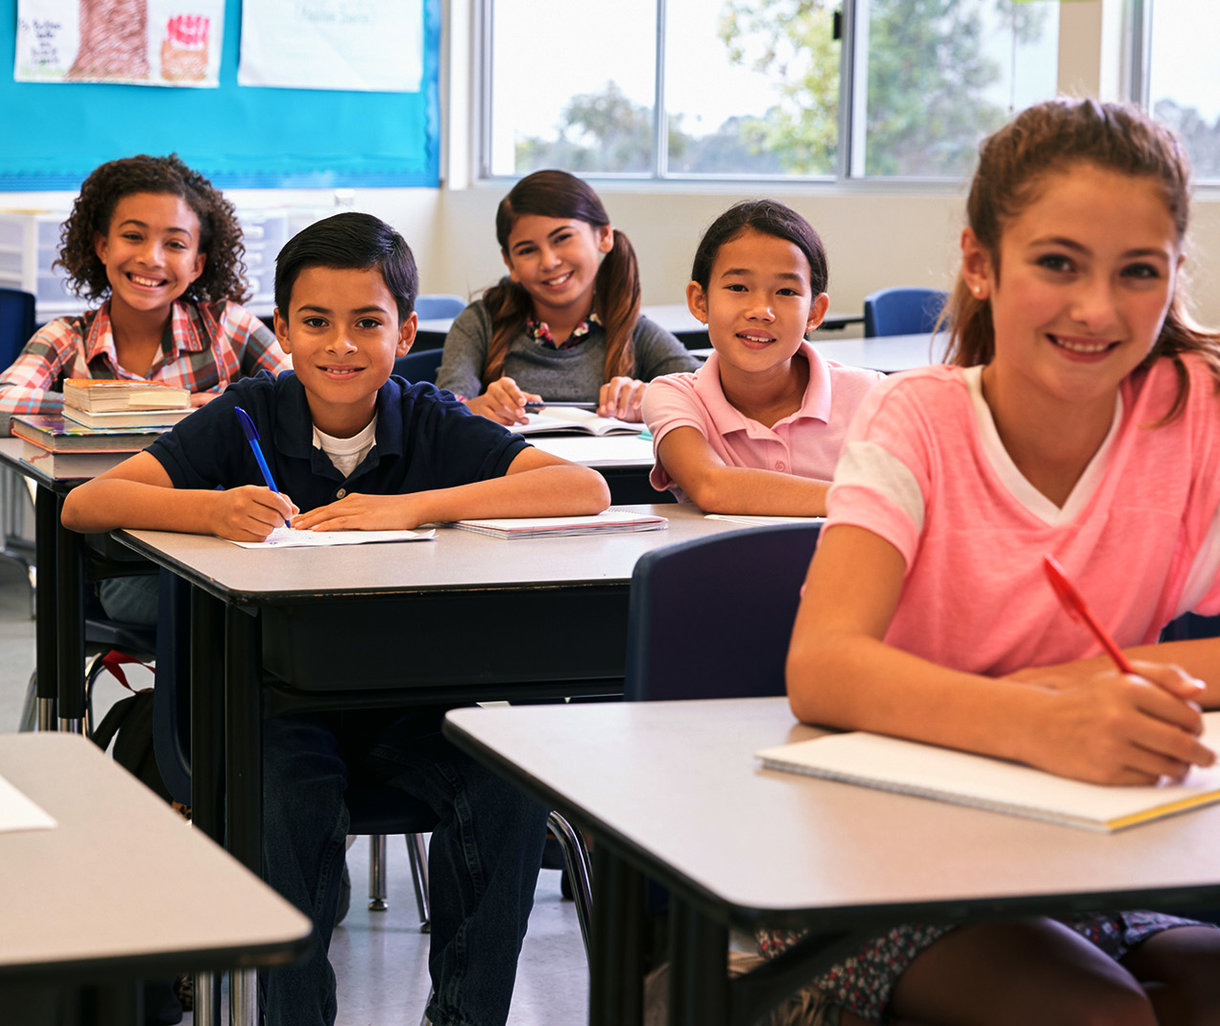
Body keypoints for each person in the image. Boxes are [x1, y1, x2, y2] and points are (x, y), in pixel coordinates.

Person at [63, 212, 608, 1026]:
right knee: (285, 799)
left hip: (413, 709)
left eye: (368, 324)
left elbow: (582, 491)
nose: (341, 346)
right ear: (283, 329)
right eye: (315, 323)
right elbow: (87, 503)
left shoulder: (424, 416)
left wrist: (408, 508)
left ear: (406, 330)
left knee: (508, 785)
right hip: (280, 709)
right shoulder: (250, 412)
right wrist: (210, 511)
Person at [782, 98, 1220, 1025]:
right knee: (1104, 1017)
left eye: (1138, 272)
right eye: (1058, 263)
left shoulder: (1193, 411)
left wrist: (1085, 685)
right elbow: (821, 667)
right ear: (981, 263)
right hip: (885, 870)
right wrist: (1041, 719)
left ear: (1176, 274)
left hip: (1096, 861)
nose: (1098, 309)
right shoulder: (921, 419)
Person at [0, 153, 287, 438]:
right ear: (102, 247)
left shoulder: (230, 328)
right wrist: (157, 407)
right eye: (133, 236)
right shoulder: (67, 339)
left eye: (175, 244)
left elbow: (305, 395)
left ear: (197, 264)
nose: (151, 258)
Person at [644, 200, 882, 516]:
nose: (761, 311)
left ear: (815, 312)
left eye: (786, 292)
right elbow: (712, 488)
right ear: (700, 302)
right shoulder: (676, 396)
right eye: (738, 287)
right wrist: (863, 499)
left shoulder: (870, 395)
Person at [436, 169, 698, 425]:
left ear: (604, 236)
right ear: (510, 263)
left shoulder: (633, 331)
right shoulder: (480, 323)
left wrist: (653, 398)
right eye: (527, 250)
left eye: (562, 238)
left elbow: (709, 390)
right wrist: (473, 409)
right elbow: (444, 408)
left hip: (611, 470)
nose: (549, 262)